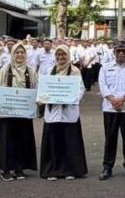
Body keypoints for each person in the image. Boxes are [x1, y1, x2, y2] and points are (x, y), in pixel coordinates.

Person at [0, 43, 38, 181]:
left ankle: (19, 167)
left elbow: (36, 89)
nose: (20, 55)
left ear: (26, 55)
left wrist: (35, 107)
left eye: (22, 52)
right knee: (6, 140)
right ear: (12, 54)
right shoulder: (5, 70)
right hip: (6, 113)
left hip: (23, 113)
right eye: (17, 53)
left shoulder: (31, 71)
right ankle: (5, 169)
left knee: (22, 140)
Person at [39, 45, 88, 180]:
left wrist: (70, 97)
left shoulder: (75, 71)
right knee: (54, 141)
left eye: (63, 55)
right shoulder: (50, 70)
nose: (61, 57)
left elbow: (81, 89)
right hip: (53, 111)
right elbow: (44, 88)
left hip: (69, 112)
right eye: (58, 55)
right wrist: (43, 98)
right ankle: (52, 171)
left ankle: (69, 170)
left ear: (68, 55)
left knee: (69, 141)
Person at [98, 41, 125, 181]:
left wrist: (122, 99)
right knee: (110, 138)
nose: (121, 53)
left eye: (123, 51)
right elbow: (103, 85)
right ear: (114, 52)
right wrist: (113, 100)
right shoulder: (105, 67)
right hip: (110, 109)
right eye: (118, 51)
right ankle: (107, 167)